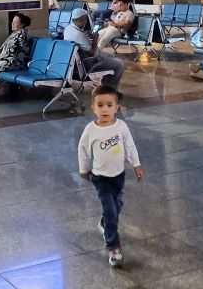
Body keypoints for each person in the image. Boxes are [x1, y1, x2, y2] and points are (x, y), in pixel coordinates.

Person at [78, 84, 143, 268]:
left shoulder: (121, 127)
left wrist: (136, 164)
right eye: (100, 105)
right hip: (100, 178)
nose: (104, 109)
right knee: (111, 211)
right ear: (93, 108)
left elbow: (130, 146)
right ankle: (114, 247)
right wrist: (84, 169)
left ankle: (104, 222)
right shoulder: (91, 130)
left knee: (117, 204)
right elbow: (83, 150)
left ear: (116, 107)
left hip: (118, 176)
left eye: (108, 105)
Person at [64, 7, 124, 87]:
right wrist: (95, 39)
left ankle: (105, 86)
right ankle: (110, 90)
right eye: (85, 20)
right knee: (119, 64)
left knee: (111, 56)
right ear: (79, 20)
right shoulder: (78, 34)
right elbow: (92, 54)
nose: (86, 22)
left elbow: (83, 43)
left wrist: (87, 36)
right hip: (90, 63)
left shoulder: (68, 29)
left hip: (76, 62)